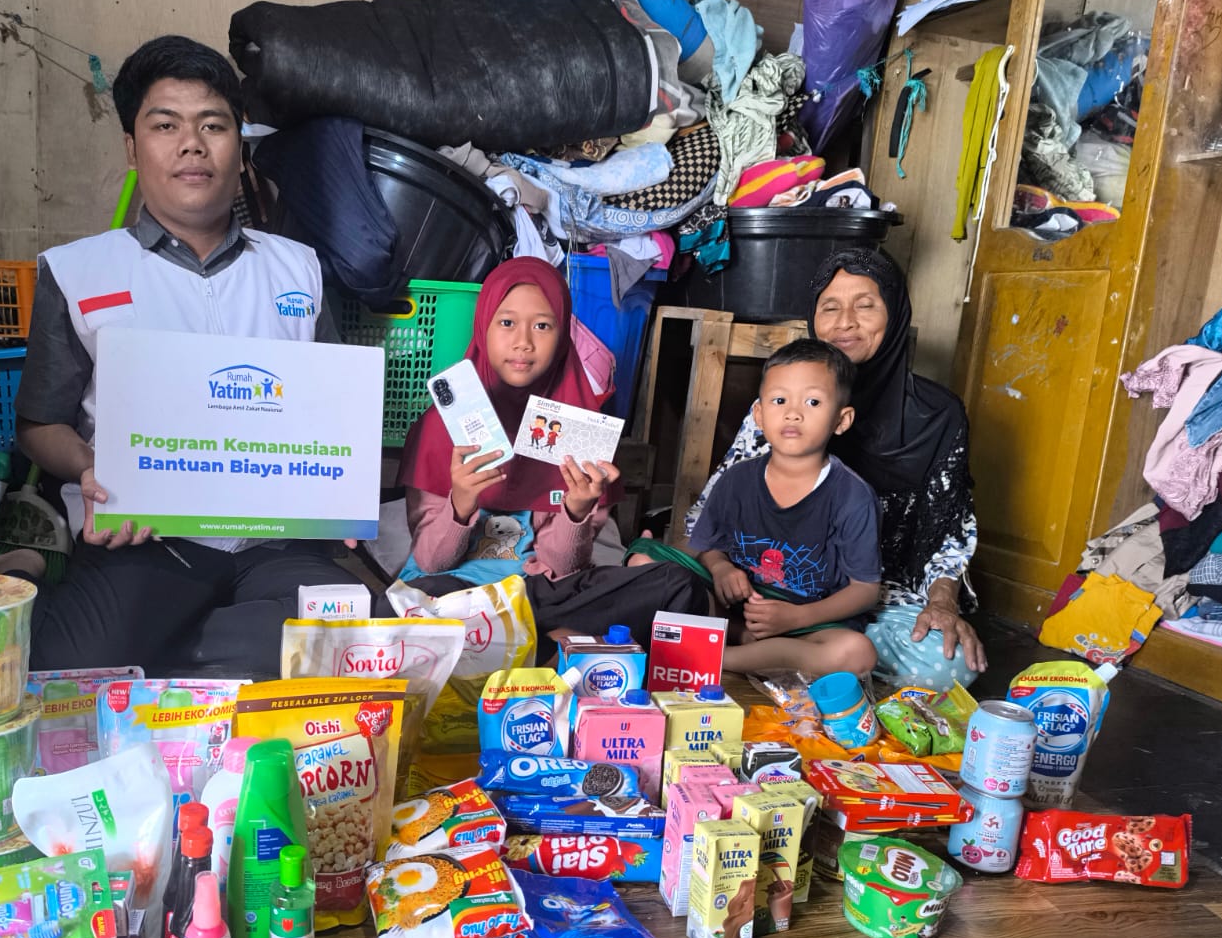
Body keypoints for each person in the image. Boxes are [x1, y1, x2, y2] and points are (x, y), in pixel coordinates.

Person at [12, 35, 351, 674]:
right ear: (132, 148)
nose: (192, 144)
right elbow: (39, 424)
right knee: (81, 670)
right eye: (165, 125)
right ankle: (224, 647)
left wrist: (343, 488)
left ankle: (202, 648)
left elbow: (331, 410)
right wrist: (92, 468)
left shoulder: (299, 269)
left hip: (278, 543)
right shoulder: (79, 271)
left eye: (213, 125)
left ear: (239, 147)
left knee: (351, 643)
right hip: (146, 540)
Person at [648, 248, 987, 677]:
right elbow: (714, 514)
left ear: (896, 314)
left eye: (865, 305)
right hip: (760, 583)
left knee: (943, 664)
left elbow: (947, 532)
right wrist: (712, 568)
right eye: (830, 307)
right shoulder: (780, 406)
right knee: (650, 572)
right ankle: (772, 648)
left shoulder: (938, 416)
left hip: (866, 599)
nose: (845, 322)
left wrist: (942, 603)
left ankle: (755, 648)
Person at [394, 257, 701, 651]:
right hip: (460, 593)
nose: (523, 341)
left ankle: (531, 647)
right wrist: (461, 504)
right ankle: (555, 648)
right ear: (483, 326)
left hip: (543, 594)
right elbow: (431, 562)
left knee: (676, 585)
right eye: (507, 323)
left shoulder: (578, 425)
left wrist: (575, 511)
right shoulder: (442, 425)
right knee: (409, 605)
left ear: (562, 335)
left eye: (542, 326)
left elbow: (564, 568)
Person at [688, 339, 881, 675]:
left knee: (857, 653)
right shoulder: (737, 479)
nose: (793, 413)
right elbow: (707, 547)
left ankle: (719, 659)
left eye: (813, 401)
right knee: (651, 564)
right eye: (779, 400)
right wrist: (721, 569)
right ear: (759, 415)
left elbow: (865, 591)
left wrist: (797, 617)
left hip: (810, 622)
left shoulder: (853, 495)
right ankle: (753, 646)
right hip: (740, 611)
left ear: (842, 420)